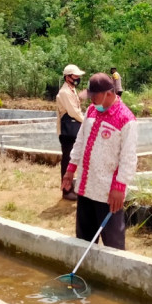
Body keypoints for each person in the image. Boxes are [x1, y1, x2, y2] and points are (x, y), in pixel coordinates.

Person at [61, 73, 138, 249]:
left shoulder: (126, 119)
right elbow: (80, 141)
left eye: (94, 96)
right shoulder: (91, 111)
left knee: (113, 242)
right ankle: (84, 272)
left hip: (108, 192)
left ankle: (115, 275)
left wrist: (120, 187)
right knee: (83, 239)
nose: (91, 100)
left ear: (108, 94)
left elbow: (128, 157)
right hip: (86, 186)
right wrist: (70, 170)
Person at [56, 64, 86, 202]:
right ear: (67, 77)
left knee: (73, 159)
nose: (78, 78)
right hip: (68, 132)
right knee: (68, 160)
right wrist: (86, 122)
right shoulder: (65, 92)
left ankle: (71, 187)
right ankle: (67, 191)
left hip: (72, 130)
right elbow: (73, 112)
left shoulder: (71, 90)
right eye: (75, 76)